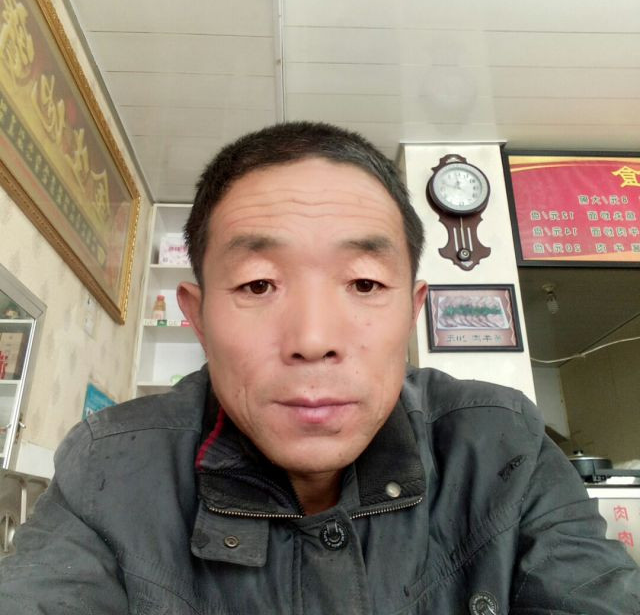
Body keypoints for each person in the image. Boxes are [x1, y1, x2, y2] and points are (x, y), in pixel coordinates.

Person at [1, 122, 638, 614]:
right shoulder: (109, 471)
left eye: (364, 283)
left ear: (412, 311)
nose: (313, 340)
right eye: (257, 284)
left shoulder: (503, 445)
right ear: (196, 316)